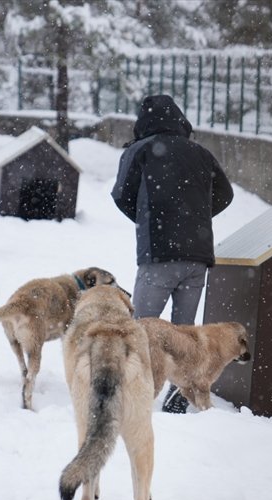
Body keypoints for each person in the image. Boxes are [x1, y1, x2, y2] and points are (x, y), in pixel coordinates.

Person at [112, 94, 234, 413]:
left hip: (160, 255)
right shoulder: (201, 153)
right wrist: (196, 217)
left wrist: (150, 218)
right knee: (184, 336)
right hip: (197, 257)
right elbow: (225, 193)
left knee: (141, 329)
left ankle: (131, 399)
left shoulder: (140, 150)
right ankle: (178, 402)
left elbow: (122, 194)